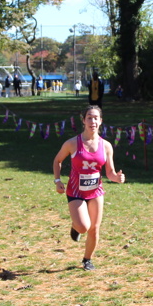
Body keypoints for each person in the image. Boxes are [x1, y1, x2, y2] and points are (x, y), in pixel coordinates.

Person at [52, 105, 126, 271]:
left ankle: (87, 260)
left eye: (96, 118)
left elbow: (110, 172)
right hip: (76, 191)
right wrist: (57, 181)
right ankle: (75, 226)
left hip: (95, 191)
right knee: (83, 227)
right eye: (89, 118)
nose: (93, 121)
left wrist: (117, 178)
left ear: (101, 121)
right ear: (83, 121)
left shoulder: (106, 146)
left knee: (94, 228)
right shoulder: (72, 143)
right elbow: (57, 160)